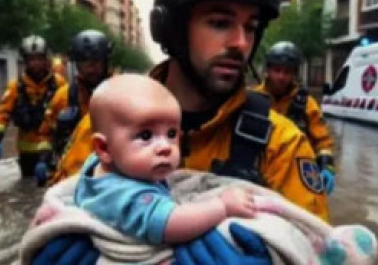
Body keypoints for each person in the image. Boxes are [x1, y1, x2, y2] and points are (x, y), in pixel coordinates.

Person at [34, 0, 328, 265]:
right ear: (171, 29)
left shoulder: (282, 145)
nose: (241, 43)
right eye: (219, 22)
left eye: (251, 27)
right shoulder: (102, 128)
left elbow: (323, 249)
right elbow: (58, 212)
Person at [76, 73, 258, 244]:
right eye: (146, 136)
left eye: (172, 133)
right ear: (104, 148)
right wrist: (222, 206)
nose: (165, 147)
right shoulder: (124, 195)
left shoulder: (100, 166)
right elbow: (170, 224)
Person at [251, 41, 338, 195]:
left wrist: (327, 166)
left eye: (287, 72)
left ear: (294, 74)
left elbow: (323, 142)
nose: (281, 77)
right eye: (277, 70)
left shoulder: (307, 104)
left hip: (294, 174)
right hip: (257, 174)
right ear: (268, 71)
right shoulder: (252, 99)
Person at [34, 29, 114, 183]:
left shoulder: (123, 93)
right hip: (71, 177)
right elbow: (46, 133)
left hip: (111, 175)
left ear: (106, 61)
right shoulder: (62, 96)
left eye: (96, 63)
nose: (91, 69)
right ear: (77, 64)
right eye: (86, 63)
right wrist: (43, 160)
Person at [0, 35, 67, 180]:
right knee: (28, 184)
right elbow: (3, 113)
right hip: (27, 150)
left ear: (46, 59)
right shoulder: (16, 87)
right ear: (25, 61)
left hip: (52, 147)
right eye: (31, 59)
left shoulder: (59, 84)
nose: (35, 64)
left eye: (39, 59)